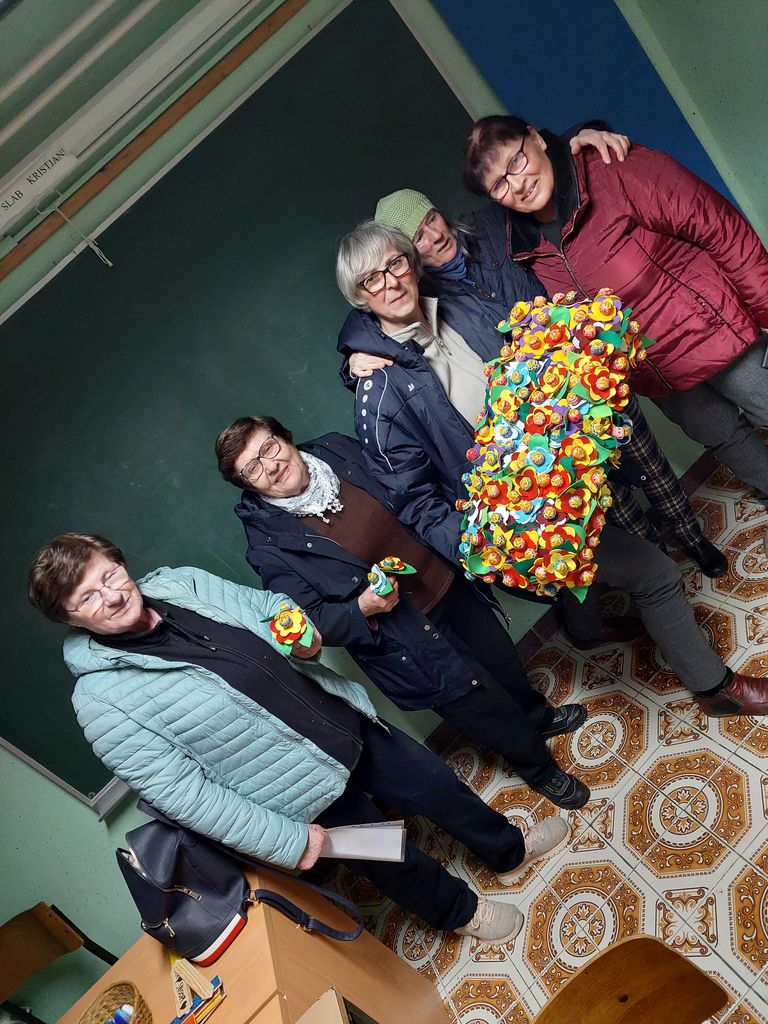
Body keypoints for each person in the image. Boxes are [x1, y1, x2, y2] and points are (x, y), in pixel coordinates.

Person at [27, 533, 573, 943]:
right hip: (298, 794)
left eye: (110, 576)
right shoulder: (100, 701)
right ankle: (462, 913)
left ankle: (509, 849)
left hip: (345, 722)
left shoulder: (179, 583)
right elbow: (185, 796)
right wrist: (286, 841)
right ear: (71, 620)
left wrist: (300, 631)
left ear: (120, 563)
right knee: (392, 858)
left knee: (440, 787)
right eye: (88, 599)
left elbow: (267, 608)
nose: (112, 596)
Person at [333, 220, 768, 717]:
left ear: (411, 264)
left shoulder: (456, 306)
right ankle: (715, 688)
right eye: (372, 279)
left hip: (564, 472)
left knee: (577, 570)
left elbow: (533, 350)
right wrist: (485, 547)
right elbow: (414, 501)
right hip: (521, 523)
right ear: (360, 297)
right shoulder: (377, 392)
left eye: (395, 264)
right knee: (656, 573)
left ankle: (585, 629)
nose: (390, 282)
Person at [345, 186, 726, 579]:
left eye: (431, 220)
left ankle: (693, 538)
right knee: (609, 494)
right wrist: (351, 358)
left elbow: (544, 193)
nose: (435, 235)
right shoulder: (423, 299)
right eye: (418, 237)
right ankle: (660, 567)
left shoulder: (491, 227)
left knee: (647, 459)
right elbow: (373, 315)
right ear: (408, 256)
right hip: (546, 421)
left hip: (588, 376)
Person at [215, 415, 589, 809]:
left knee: (501, 659)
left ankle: (538, 718)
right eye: (253, 468)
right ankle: (538, 769)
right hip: (408, 638)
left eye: (269, 447)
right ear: (248, 485)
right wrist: (361, 608)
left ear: (285, 437)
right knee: (480, 705)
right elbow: (310, 620)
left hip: (448, 581)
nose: (271, 465)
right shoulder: (268, 546)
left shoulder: (335, 448)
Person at [461, 115, 768, 552]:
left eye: (516, 161)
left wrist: (765, 306)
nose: (518, 184)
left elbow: (717, 225)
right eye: (499, 185)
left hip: (715, 328)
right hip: (654, 372)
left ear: (535, 138)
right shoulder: (523, 246)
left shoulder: (610, 167)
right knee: (725, 438)